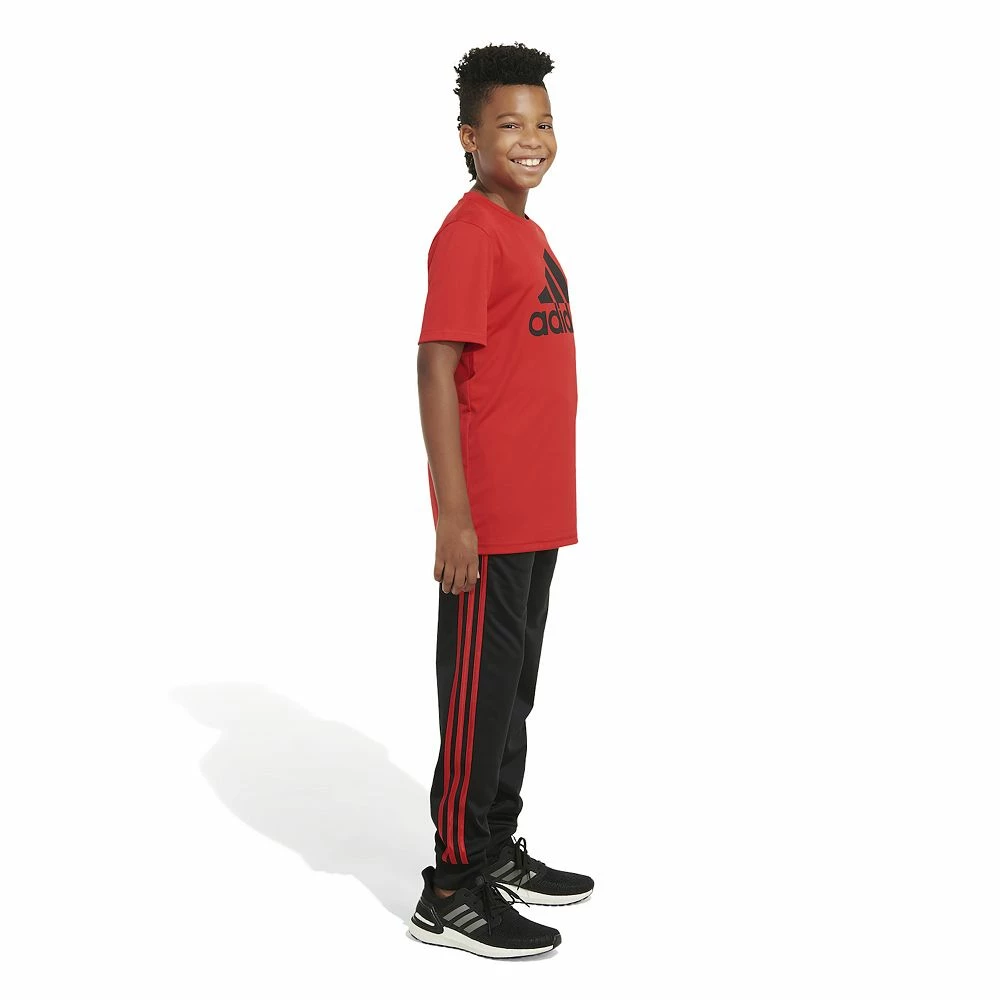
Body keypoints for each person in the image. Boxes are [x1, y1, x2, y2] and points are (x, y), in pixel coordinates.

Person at [408, 42, 593, 960]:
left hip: (537, 509)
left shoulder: (525, 230)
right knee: (477, 699)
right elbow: (434, 367)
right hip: (488, 517)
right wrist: (455, 517)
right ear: (469, 137)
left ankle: (492, 850)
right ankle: (449, 887)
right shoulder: (470, 233)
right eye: (510, 124)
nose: (532, 139)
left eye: (544, 122)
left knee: (512, 693)